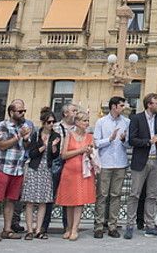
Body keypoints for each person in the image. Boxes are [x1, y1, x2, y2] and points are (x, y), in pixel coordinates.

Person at [0, 99, 32, 242]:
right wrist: (18, 135)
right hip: (3, 167)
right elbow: (2, 145)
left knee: (11, 200)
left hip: (17, 168)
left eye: (24, 111)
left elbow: (26, 147)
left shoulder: (24, 125)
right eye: (20, 111)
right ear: (12, 112)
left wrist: (25, 138)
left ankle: (7, 229)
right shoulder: (3, 125)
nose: (23, 113)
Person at [125, 92, 157, 239]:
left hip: (156, 160)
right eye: (156, 103)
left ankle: (150, 224)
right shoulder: (136, 118)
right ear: (149, 104)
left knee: (152, 195)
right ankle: (129, 225)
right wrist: (148, 141)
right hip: (141, 160)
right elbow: (132, 140)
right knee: (135, 194)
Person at [56, 109, 96, 241]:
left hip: (84, 172)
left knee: (79, 201)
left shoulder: (90, 137)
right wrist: (80, 150)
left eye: (87, 121)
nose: (87, 123)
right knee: (70, 201)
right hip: (70, 171)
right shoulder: (69, 135)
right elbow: (64, 155)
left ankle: (75, 229)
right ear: (77, 122)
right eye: (84, 121)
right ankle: (68, 227)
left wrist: (90, 153)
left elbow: (94, 155)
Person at [93, 96, 129, 238]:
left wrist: (124, 139)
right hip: (105, 163)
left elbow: (129, 144)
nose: (123, 108)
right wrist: (110, 139)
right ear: (114, 106)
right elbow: (96, 143)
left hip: (120, 163)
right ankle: (98, 225)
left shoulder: (127, 122)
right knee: (102, 195)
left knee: (116, 195)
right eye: (121, 105)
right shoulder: (101, 122)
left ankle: (112, 225)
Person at [21, 107, 60, 240]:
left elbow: (55, 156)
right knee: (30, 201)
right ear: (43, 123)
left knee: (43, 201)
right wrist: (43, 146)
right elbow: (31, 153)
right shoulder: (35, 135)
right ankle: (29, 230)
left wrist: (54, 147)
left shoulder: (56, 136)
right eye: (49, 122)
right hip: (34, 169)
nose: (51, 125)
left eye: (53, 122)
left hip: (46, 169)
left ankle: (39, 229)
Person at [42, 102, 77, 236]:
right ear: (65, 113)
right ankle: (44, 225)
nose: (75, 113)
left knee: (68, 196)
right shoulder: (55, 127)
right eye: (73, 111)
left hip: (71, 162)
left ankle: (67, 226)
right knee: (50, 194)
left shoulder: (76, 128)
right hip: (56, 162)